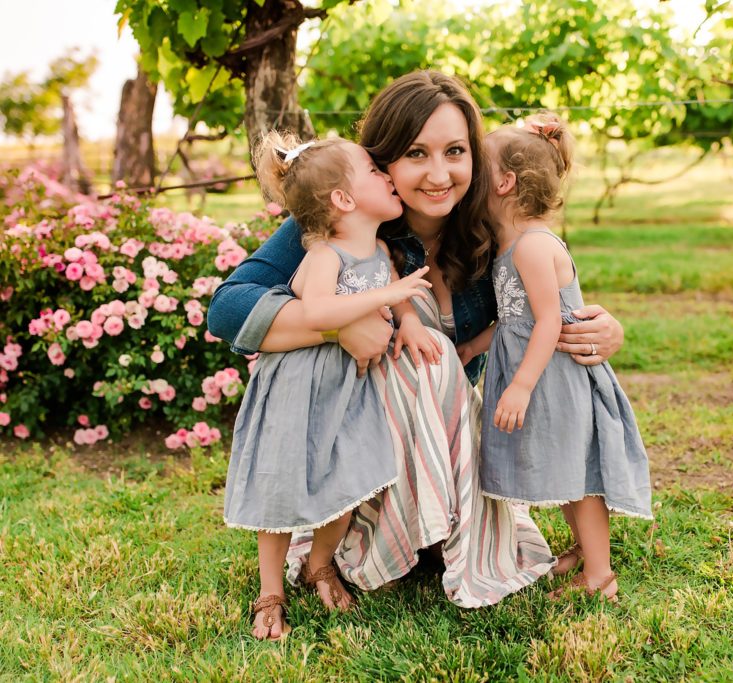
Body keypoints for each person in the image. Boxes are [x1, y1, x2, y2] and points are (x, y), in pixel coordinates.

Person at [207, 71, 625, 607]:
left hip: (449, 440)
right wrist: (338, 325)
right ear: (382, 165)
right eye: (415, 153)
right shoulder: (347, 218)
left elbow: (549, 300)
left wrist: (601, 328)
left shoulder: (496, 228)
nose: (438, 174)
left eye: (454, 151)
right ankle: (368, 535)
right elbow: (228, 307)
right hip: (366, 437)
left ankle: (441, 525)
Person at [223, 131, 438, 640]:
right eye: (373, 172)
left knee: (350, 479)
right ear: (343, 200)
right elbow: (317, 310)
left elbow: (394, 295)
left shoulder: (380, 251)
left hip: (347, 389)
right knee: (281, 483)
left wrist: (405, 316)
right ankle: (270, 590)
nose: (387, 175)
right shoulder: (323, 255)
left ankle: (320, 562)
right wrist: (389, 294)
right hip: (299, 384)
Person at [458, 114, 652, 602]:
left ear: (503, 183)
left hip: (554, 379)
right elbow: (512, 319)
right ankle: (588, 554)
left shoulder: (533, 245)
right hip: (540, 374)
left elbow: (547, 321)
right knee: (567, 475)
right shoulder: (513, 245)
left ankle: (600, 576)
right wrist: (471, 348)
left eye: (477, 168)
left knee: (580, 478)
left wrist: (520, 385)